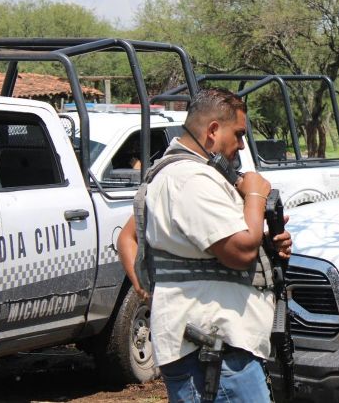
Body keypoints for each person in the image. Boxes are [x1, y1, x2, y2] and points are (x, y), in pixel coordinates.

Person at [118, 88, 292, 403]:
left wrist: (265, 245)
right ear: (213, 130)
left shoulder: (188, 174)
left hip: (216, 349)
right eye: (238, 134)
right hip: (213, 353)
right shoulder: (189, 179)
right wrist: (255, 196)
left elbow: (200, 247)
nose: (241, 145)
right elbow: (240, 252)